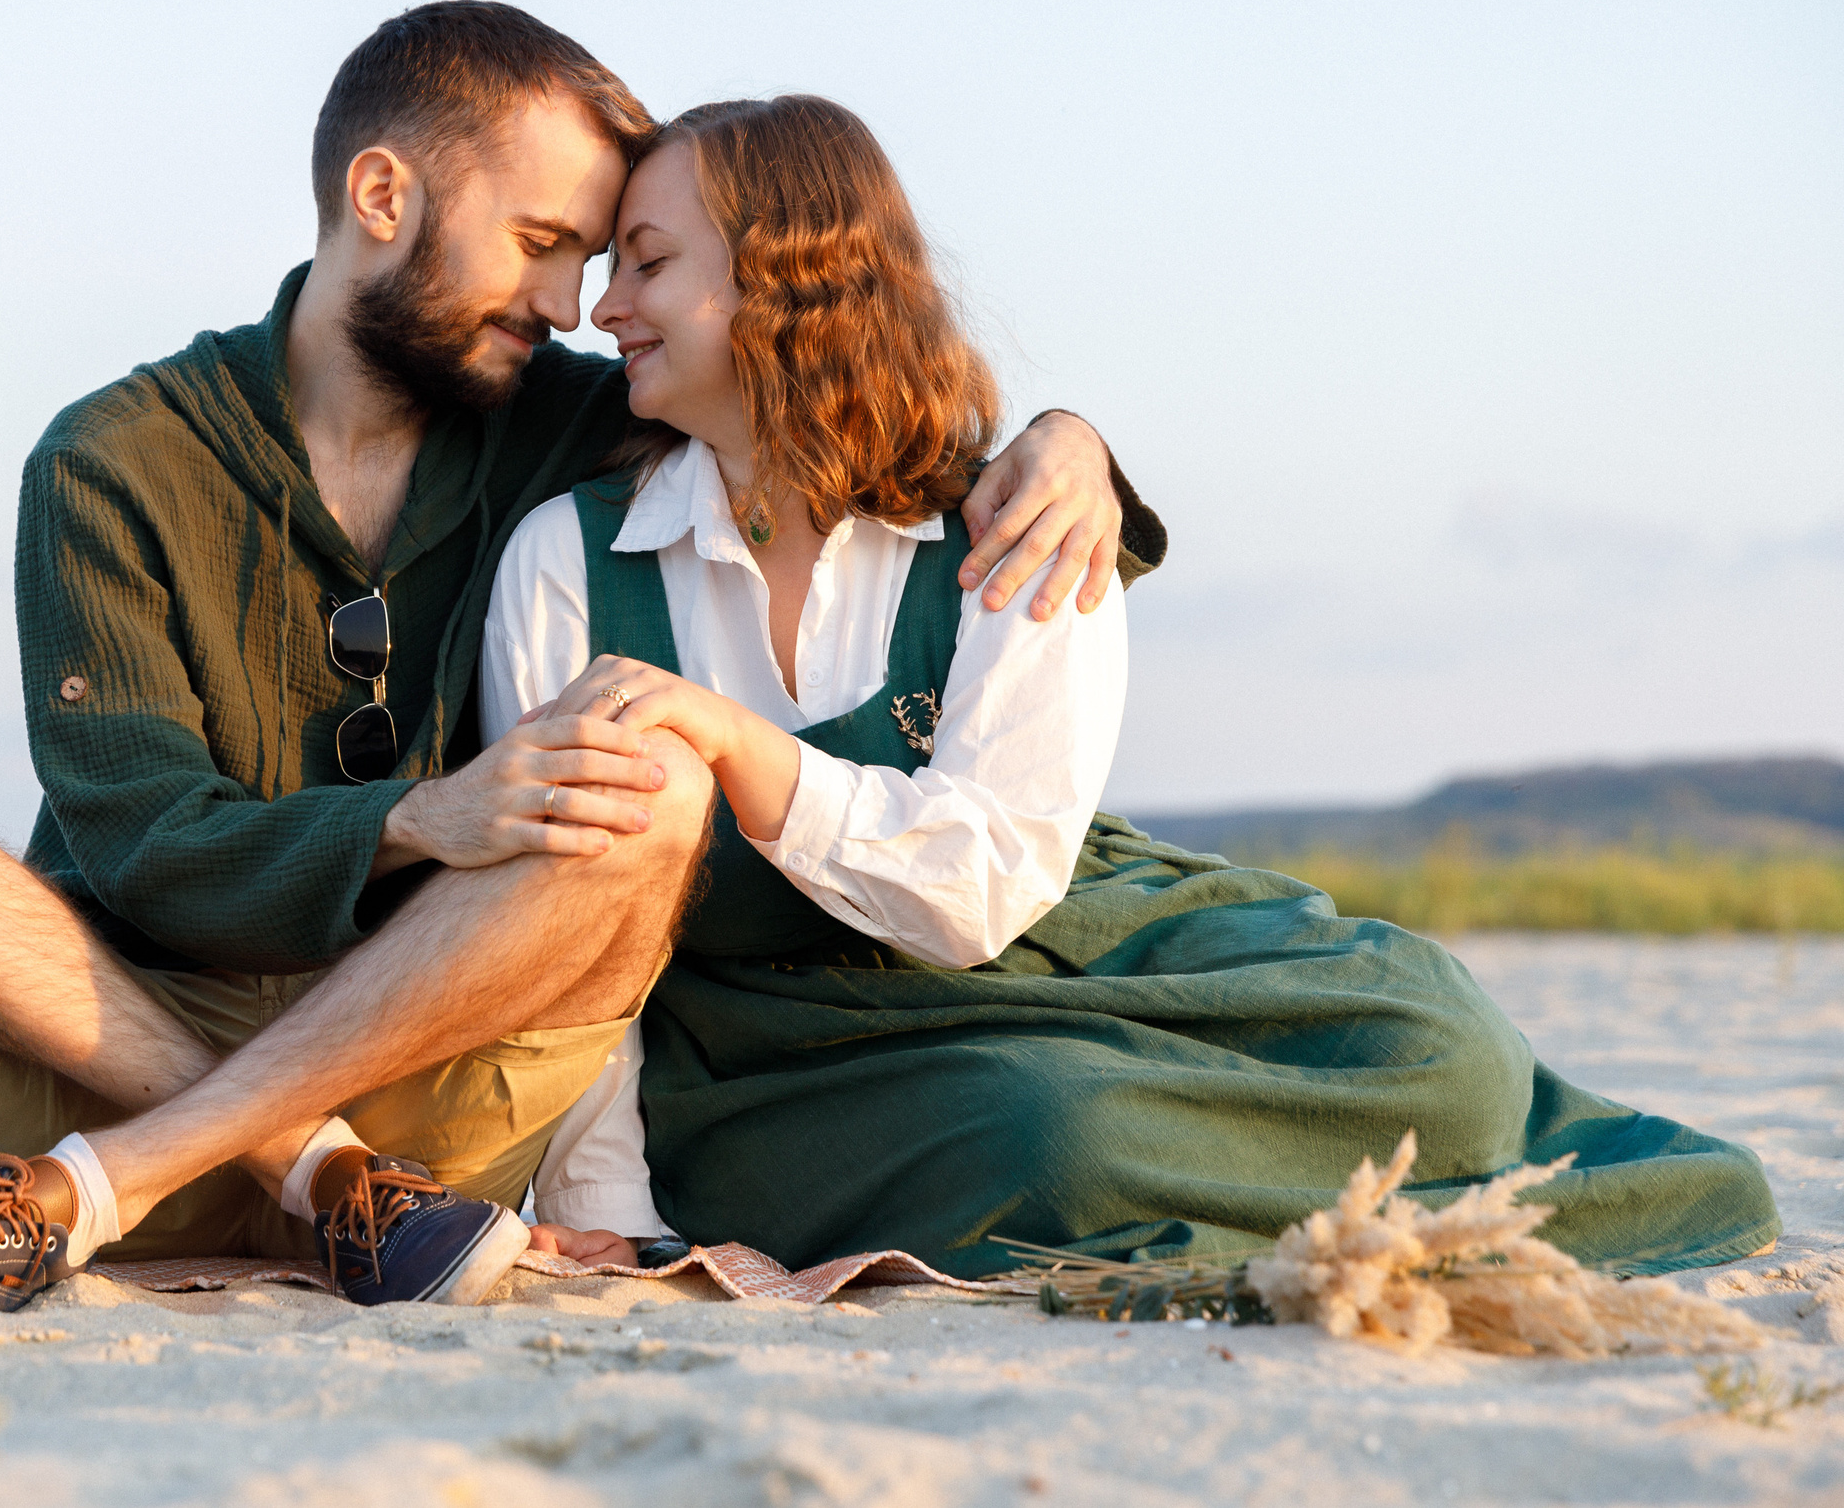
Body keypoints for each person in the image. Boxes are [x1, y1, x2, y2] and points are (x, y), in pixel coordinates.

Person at [0, 3, 1162, 1316]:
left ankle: (161, 1177)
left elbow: (813, 400)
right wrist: (418, 815)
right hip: (108, 1042)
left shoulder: (558, 412)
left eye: (599, 263)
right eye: (542, 245)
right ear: (384, 195)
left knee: (640, 770)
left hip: (435, 1065)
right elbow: (141, 845)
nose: (571, 303)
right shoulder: (115, 459)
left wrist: (1063, 447)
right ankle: (311, 1179)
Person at [489, 95, 1780, 1280]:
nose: (607, 309)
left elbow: (984, 885)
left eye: (648, 263)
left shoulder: (1020, 525)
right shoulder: (568, 562)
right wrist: (617, 1199)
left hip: (1050, 938)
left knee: (1446, 1044)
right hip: (765, 1037)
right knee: (1053, 1133)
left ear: (787, 274)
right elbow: (558, 933)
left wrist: (734, 742)